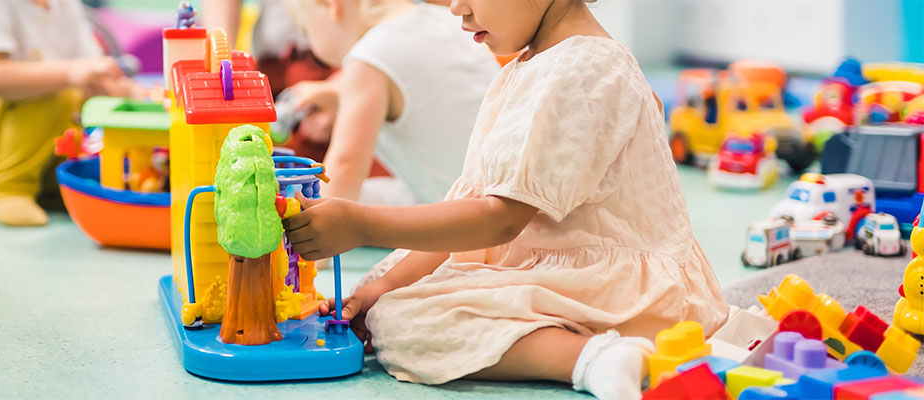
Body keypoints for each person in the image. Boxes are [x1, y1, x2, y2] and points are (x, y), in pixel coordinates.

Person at [285, 0, 727, 398]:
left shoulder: (588, 66)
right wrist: (382, 287)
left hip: (620, 286)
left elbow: (499, 219)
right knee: (395, 305)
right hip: (549, 260)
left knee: (410, 324)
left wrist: (363, 225)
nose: (457, 9)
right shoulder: (525, 67)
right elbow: (473, 201)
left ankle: (592, 357)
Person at [0, 0, 142, 226]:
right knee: (56, 88)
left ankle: (53, 187)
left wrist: (135, 94)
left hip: (39, 132)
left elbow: (93, 71)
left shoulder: (64, 5)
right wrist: (70, 73)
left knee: (83, 100)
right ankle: (8, 189)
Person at [282, 0, 499, 205]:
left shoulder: (368, 59)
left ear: (332, 5)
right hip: (504, 197)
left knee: (332, 200)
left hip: (467, 218)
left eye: (305, 30)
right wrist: (337, 96)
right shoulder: (443, 19)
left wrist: (302, 227)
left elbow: (345, 169)